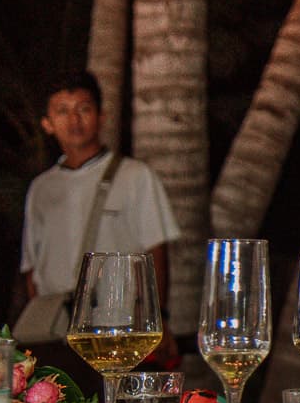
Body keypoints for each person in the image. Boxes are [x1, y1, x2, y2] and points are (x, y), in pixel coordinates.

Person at [19, 72, 180, 341]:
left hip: (118, 324)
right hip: (55, 328)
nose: (74, 120)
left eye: (83, 109)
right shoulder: (41, 188)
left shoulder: (135, 175)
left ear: (101, 116)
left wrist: (157, 319)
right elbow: (32, 266)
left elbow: (156, 252)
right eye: (62, 111)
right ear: (47, 123)